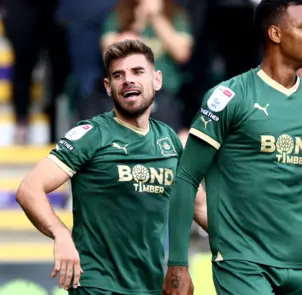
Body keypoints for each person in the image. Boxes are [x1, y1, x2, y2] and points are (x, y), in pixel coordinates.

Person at [164, 0, 302, 295]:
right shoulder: (228, 97)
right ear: (275, 33)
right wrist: (177, 263)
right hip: (243, 260)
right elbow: (186, 177)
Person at [15, 40, 208, 294]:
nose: (128, 80)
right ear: (108, 87)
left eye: (137, 72)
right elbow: (29, 189)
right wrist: (61, 235)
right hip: (97, 284)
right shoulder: (92, 134)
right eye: (118, 75)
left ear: (157, 80)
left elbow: (198, 204)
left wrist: (245, 247)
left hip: (149, 285)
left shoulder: (169, 140)